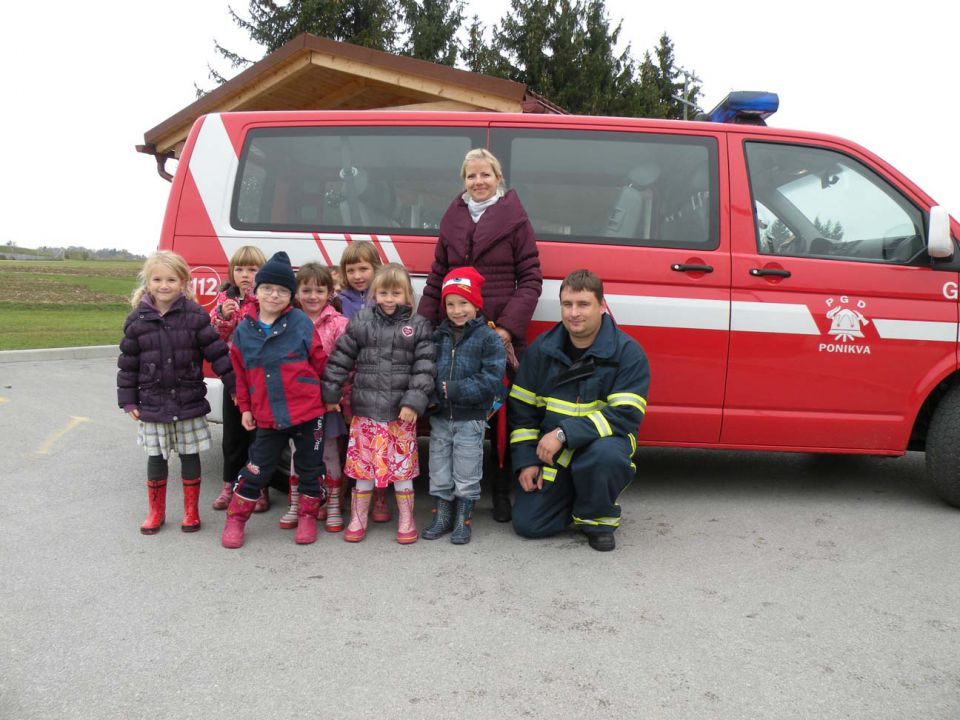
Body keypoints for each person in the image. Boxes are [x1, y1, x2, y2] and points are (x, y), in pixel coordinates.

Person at [417, 148, 543, 524]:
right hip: (454, 331)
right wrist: (421, 329)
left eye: (485, 175)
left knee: (505, 416)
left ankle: (501, 491)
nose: (478, 182)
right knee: (456, 412)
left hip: (498, 331)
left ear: (498, 177)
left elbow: (531, 279)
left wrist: (506, 327)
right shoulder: (451, 219)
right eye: (471, 177)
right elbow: (437, 278)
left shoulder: (516, 219)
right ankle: (449, 496)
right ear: (464, 181)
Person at [509, 270, 650, 552]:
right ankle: (577, 494)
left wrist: (563, 433)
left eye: (583, 304)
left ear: (601, 306)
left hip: (601, 445)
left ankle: (597, 519)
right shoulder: (542, 350)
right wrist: (526, 461)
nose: (574, 313)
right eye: (567, 304)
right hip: (555, 456)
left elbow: (624, 415)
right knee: (529, 525)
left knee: (605, 456)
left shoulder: (627, 352)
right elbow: (522, 411)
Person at [118, 251, 235, 535]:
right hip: (153, 403)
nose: (164, 285)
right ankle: (156, 512)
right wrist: (128, 399)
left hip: (188, 400)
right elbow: (128, 364)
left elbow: (217, 354)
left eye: (171, 279)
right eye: (157, 279)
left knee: (189, 454)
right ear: (148, 281)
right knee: (156, 457)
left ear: (183, 282)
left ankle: (191, 512)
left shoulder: (195, 316)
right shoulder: (137, 321)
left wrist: (235, 386)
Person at [322, 263, 435, 544]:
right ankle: (358, 518)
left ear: (407, 296)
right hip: (366, 411)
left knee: (403, 471)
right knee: (363, 470)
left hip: (401, 414)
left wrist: (413, 402)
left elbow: (425, 368)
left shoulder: (418, 326)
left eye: (395, 293)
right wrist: (331, 393)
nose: (388, 298)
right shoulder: (361, 321)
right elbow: (340, 359)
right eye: (383, 292)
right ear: (375, 293)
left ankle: (407, 519)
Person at [222, 252, 328, 549]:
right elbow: (240, 374)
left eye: (282, 290)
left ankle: (307, 516)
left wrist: (325, 395)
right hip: (268, 414)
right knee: (257, 467)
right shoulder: (244, 329)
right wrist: (244, 407)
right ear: (255, 291)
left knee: (311, 467)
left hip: (307, 410)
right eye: (267, 288)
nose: (274, 295)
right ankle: (236, 518)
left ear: (290, 296)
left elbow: (318, 361)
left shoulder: (300, 323)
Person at [422, 267, 506, 545]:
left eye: (463, 303)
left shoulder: (489, 339)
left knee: (467, 469)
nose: (457, 310)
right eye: (450, 304)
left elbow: (491, 379)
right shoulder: (438, 336)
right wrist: (432, 396)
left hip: (471, 418)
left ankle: (463, 519)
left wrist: (456, 389)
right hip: (441, 417)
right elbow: (427, 370)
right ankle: (442, 515)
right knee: (439, 467)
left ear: (476, 304)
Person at [286, 262, 350, 533]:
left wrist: (338, 396)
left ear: (330, 293)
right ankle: (297, 504)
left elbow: (345, 363)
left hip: (328, 401)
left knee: (329, 453)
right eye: (306, 289)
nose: (313, 296)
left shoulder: (339, 323)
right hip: (296, 402)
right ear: (297, 292)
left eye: (319, 290)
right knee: (296, 453)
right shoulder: (287, 321)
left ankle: (333, 505)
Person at [208, 245, 269, 513]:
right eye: (240, 269)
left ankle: (259, 487)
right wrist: (223, 317)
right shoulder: (225, 298)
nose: (245, 275)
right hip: (234, 378)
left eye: (252, 269)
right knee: (233, 436)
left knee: (260, 436)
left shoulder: (267, 297)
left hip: (260, 378)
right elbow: (215, 337)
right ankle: (229, 484)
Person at [337, 240, 392, 523]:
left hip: (380, 381)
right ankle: (344, 492)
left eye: (363, 269)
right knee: (351, 440)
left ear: (376, 269)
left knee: (379, 439)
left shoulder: (385, 298)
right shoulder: (338, 300)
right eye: (351, 270)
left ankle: (381, 494)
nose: (357, 275)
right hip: (350, 381)